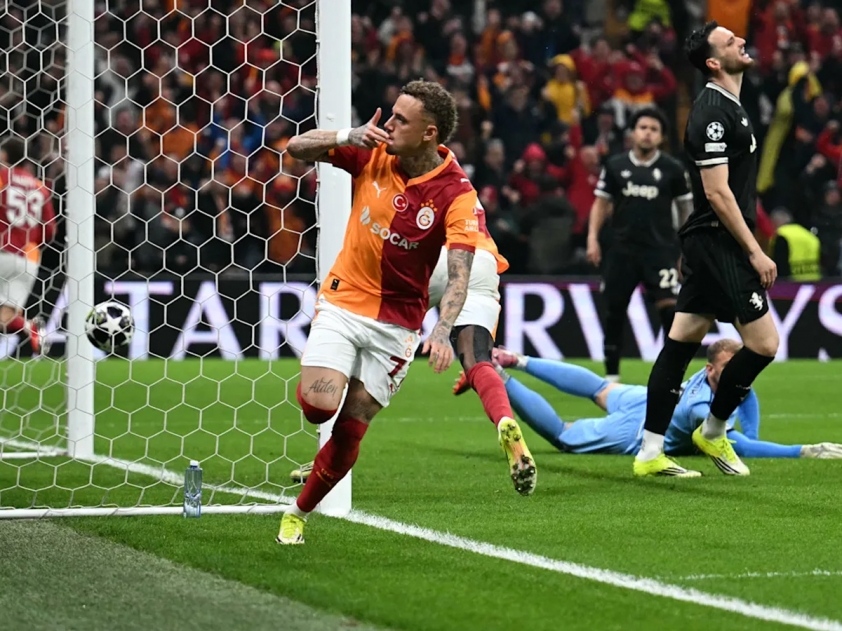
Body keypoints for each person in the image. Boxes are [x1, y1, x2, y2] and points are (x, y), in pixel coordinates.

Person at [276, 80, 532, 545]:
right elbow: (296, 147)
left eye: (400, 119)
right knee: (318, 407)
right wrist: (347, 135)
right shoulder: (372, 151)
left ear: (429, 133)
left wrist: (442, 330)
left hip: (397, 327)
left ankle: (296, 514)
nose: (388, 124)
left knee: (351, 429)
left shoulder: (457, 193)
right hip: (344, 302)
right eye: (391, 114)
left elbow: (459, 274)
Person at [634, 22, 780, 478]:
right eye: (730, 40)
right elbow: (717, 192)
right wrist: (754, 250)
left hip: (707, 242)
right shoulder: (711, 113)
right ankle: (713, 430)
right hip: (720, 241)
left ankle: (649, 452)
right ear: (714, 62)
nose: (742, 40)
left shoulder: (731, 105)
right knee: (764, 344)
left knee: (682, 341)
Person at [289, 233, 539, 497]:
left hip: (431, 256)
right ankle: (504, 420)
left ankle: (328, 455)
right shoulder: (467, 206)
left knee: (360, 330)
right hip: (481, 260)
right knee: (478, 361)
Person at [470, 342, 842, 460]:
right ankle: (499, 375)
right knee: (564, 435)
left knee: (599, 388)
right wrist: (800, 451)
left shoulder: (720, 378)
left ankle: (518, 359)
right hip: (640, 427)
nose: (735, 374)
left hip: (651, 396)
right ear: (710, 369)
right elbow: (738, 445)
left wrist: (755, 433)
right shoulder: (700, 410)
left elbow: (747, 393)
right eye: (729, 368)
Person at [586, 107, 693, 383]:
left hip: (661, 252)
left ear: (661, 137)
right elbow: (601, 203)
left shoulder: (673, 169)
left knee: (670, 313)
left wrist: (686, 250)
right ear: (633, 133)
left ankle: (672, 377)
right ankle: (612, 378)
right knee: (614, 312)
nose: (647, 133)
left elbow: (685, 211)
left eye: (654, 129)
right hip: (621, 252)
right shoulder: (615, 165)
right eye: (643, 128)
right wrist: (592, 238)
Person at [0, 138, 56, 355]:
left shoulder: (3, 176)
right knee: (5, 318)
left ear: (5, 155)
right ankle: (29, 327)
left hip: (2, 251)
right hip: (28, 259)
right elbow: (49, 230)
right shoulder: (39, 187)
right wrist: (27, 240)